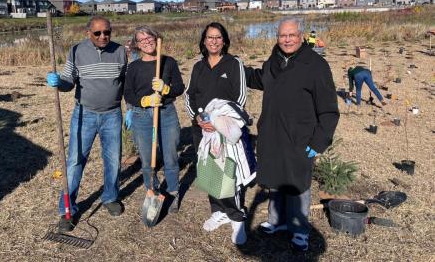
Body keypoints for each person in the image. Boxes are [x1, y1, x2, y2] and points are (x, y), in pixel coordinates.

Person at [244, 17, 340, 252]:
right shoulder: (274, 59)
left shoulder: (315, 65)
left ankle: (299, 230)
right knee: (276, 178)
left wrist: (318, 142)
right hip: (273, 132)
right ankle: (277, 221)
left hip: (301, 137)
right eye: (282, 36)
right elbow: (261, 79)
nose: (286, 40)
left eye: (291, 35)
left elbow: (329, 110)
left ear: (301, 36)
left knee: (298, 184)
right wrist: (237, 69)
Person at [46, 16, 127, 232]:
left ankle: (110, 197)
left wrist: (132, 110)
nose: (103, 36)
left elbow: (126, 84)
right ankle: (67, 210)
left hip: (112, 115)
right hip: (84, 114)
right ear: (87, 32)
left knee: (113, 161)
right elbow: (68, 83)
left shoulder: (120, 52)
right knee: (74, 162)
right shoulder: (76, 51)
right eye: (98, 33)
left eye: (107, 32)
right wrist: (58, 82)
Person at [185, 22, 249, 245]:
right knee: (208, 168)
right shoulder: (198, 67)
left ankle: (236, 215)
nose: (213, 41)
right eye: (209, 37)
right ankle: (218, 210)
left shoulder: (234, 64)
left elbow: (240, 97)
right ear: (204, 41)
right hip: (201, 128)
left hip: (225, 127)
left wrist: (219, 121)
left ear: (224, 41)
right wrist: (198, 118)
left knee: (229, 170)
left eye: (218, 37)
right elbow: (189, 96)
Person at [123, 26, 185, 212]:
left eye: (149, 37)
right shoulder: (134, 67)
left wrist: (166, 89)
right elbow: (128, 93)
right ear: (137, 45)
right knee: (147, 158)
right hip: (142, 116)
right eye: (142, 40)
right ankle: (152, 190)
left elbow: (179, 87)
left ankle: (173, 192)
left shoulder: (168, 62)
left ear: (157, 39)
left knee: (171, 156)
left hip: (166, 113)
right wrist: (144, 100)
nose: (147, 42)